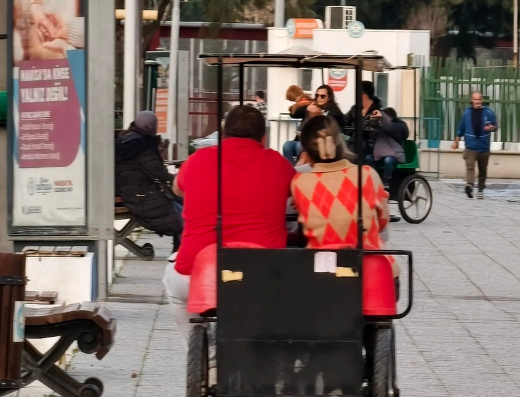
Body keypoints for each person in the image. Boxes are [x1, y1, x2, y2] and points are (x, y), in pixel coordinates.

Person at [162, 105, 295, 339]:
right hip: (262, 274)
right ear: (263, 137)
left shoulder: (197, 160)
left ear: (223, 134)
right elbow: (297, 196)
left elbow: (177, 189)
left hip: (199, 269)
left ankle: (206, 360)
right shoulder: (279, 164)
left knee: (174, 287)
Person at [291, 115, 389, 250]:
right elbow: (383, 222)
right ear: (340, 142)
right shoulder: (367, 175)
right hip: (367, 262)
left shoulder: (300, 182)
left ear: (306, 152)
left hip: (321, 263)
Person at [115, 111, 183, 251]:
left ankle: (178, 252)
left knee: (179, 205)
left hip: (131, 193)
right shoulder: (142, 145)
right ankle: (179, 254)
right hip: (142, 196)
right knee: (184, 216)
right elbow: (159, 173)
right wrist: (178, 178)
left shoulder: (125, 140)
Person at [452, 91, 497, 199]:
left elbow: (495, 126)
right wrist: (456, 141)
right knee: (470, 167)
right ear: (472, 100)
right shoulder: (467, 113)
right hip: (470, 146)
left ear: (482, 100)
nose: (477, 101)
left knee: (483, 169)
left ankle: (480, 189)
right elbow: (461, 128)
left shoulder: (488, 112)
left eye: (479, 99)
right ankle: (470, 185)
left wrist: (491, 128)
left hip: (483, 146)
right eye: (475, 99)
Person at [368, 107, 409, 187]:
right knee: (368, 158)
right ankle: (375, 178)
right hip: (381, 155)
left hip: (395, 155)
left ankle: (386, 181)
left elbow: (389, 127)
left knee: (388, 160)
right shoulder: (381, 126)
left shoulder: (398, 126)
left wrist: (382, 116)